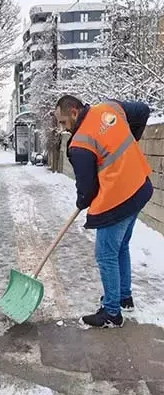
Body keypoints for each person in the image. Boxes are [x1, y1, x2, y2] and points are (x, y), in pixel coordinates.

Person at [55, 95, 152, 328]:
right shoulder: (109, 108)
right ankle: (123, 296)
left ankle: (111, 313)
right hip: (140, 185)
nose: (62, 129)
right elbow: (143, 110)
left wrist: (82, 200)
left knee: (105, 253)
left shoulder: (80, 144)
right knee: (121, 246)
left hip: (119, 199)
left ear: (75, 113)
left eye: (63, 122)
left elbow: (87, 190)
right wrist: (130, 147)